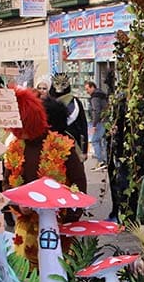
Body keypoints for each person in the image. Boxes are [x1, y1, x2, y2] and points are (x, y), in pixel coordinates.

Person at [5, 87, 88, 264]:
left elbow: (79, 182)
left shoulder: (62, 145)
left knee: (58, 273)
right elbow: (7, 185)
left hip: (59, 228)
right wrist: (19, 205)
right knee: (25, 275)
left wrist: (71, 216)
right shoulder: (15, 148)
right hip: (26, 231)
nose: (20, 134)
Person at [51, 73, 88, 157]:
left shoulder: (75, 102)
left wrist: (84, 149)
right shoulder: (49, 102)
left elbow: (83, 125)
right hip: (52, 144)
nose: (60, 87)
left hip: (73, 142)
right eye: (57, 83)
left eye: (63, 84)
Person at [85, 80, 109, 167]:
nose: (87, 91)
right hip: (106, 120)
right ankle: (105, 160)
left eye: (87, 89)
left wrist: (94, 125)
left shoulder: (95, 97)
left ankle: (100, 160)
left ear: (92, 87)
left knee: (95, 140)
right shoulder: (101, 94)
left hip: (100, 121)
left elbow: (96, 111)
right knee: (103, 141)